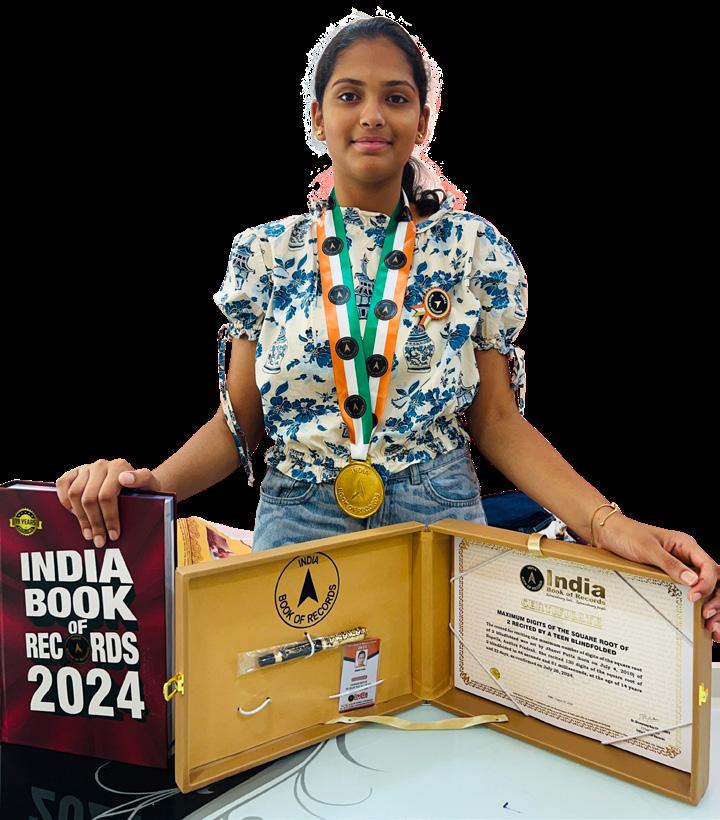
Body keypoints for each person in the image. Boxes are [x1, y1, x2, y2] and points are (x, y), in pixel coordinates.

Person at [54, 12, 719, 642]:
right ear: (318, 116)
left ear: (423, 119)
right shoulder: (264, 254)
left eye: (396, 98)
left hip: (438, 514)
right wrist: (149, 486)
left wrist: (607, 524)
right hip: (299, 519)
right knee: (286, 706)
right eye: (349, 95)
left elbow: (496, 421)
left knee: (448, 711)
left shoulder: (472, 249)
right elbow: (241, 424)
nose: (372, 115)